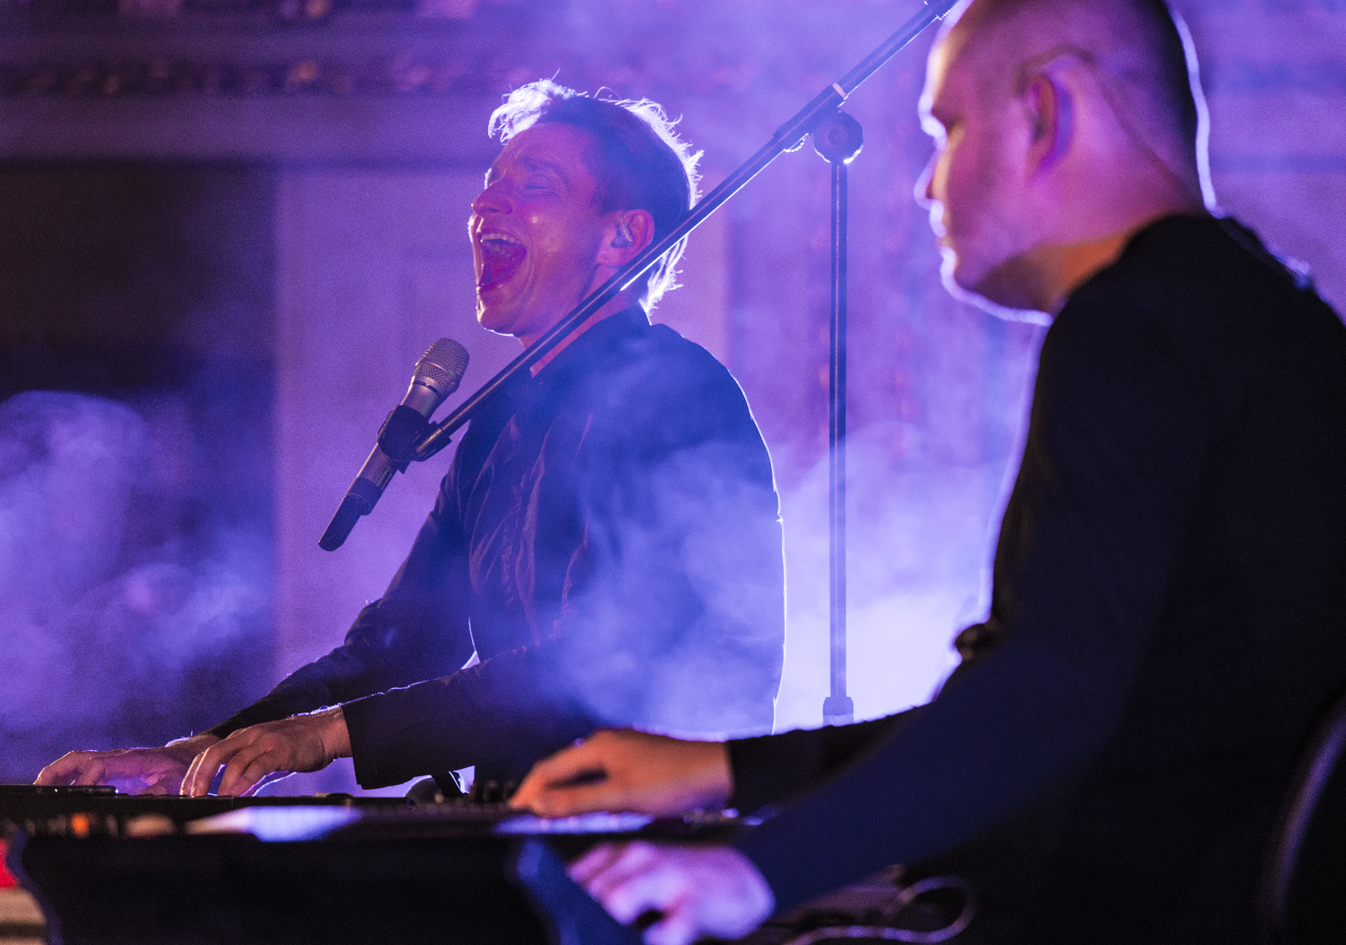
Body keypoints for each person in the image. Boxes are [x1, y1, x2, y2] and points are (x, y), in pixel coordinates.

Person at [509, 0, 1346, 945]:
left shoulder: (1131, 322)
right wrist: (729, 770)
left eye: (945, 129)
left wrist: (752, 870)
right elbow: (1071, 701)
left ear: (1045, 107)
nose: (927, 181)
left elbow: (1048, 690)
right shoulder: (1264, 317)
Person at [37, 81, 786, 799]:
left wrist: (326, 734)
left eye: (536, 186)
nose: (486, 202)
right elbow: (402, 640)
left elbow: (597, 663)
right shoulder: (499, 419)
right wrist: (199, 750)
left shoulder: (678, 395)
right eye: (491, 182)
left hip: (666, 848)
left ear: (624, 236)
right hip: (539, 822)